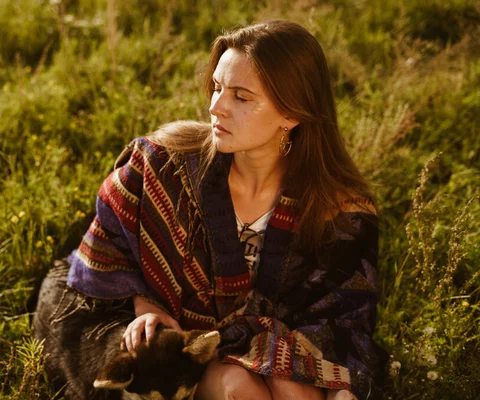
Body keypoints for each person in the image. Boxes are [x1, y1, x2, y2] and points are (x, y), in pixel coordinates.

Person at [65, 20, 386, 399]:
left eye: (241, 96)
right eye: (217, 87)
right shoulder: (162, 165)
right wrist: (145, 304)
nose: (216, 107)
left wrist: (331, 383)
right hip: (194, 346)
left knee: (291, 387)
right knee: (239, 388)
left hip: (282, 343)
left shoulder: (340, 209)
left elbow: (341, 314)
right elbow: (109, 246)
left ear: (291, 114)